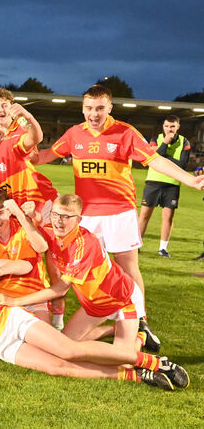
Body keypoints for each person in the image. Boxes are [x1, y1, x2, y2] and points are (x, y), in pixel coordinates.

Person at [0, 229, 189, 391]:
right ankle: (136, 376)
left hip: (11, 320)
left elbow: (24, 266)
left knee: (69, 351)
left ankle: (155, 363)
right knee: (58, 368)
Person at [37, 85, 204, 342]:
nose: (94, 114)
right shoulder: (74, 134)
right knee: (86, 270)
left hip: (119, 212)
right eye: (89, 108)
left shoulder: (125, 132)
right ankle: (105, 312)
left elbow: (156, 160)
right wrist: (12, 156)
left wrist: (189, 180)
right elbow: (45, 155)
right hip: (87, 216)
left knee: (127, 267)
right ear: (82, 108)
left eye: (100, 108)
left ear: (109, 108)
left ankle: (141, 321)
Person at [0, 194, 162, 357]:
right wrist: (30, 215)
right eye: (55, 214)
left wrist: (15, 301)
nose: (59, 221)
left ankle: (140, 337)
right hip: (94, 303)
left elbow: (60, 289)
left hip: (122, 299)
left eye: (66, 217)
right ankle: (114, 330)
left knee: (123, 360)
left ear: (79, 220)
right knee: (62, 346)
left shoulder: (84, 244)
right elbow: (37, 226)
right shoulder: (53, 230)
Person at [0, 189, 50, 322]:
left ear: (9, 211)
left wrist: (20, 214)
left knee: (48, 334)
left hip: (34, 296)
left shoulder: (23, 228)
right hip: (4, 298)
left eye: (0, 213)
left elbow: (42, 247)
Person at [137, 115, 191, 258]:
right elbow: (152, 158)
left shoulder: (185, 142)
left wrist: (163, 156)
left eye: (172, 126)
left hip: (172, 184)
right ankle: (137, 246)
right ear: (163, 126)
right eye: (167, 126)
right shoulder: (155, 139)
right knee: (144, 215)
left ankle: (163, 249)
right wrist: (165, 143)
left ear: (178, 127)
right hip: (153, 182)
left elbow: (182, 165)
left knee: (168, 218)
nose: (169, 129)